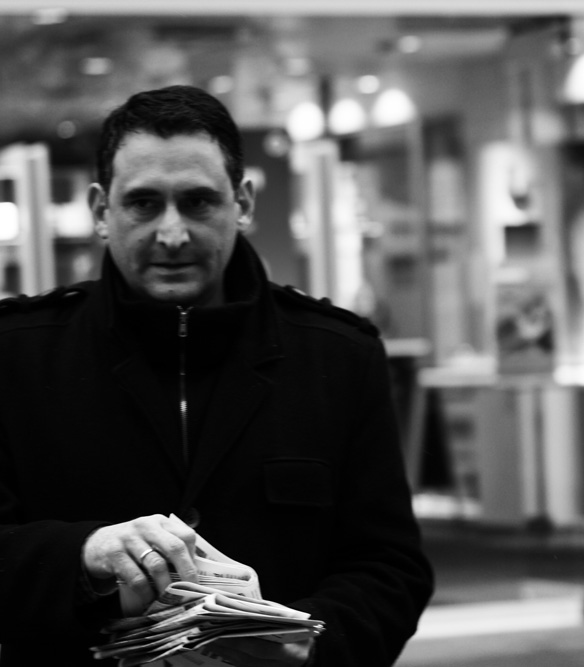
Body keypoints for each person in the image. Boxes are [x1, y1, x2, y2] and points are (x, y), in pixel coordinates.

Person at [0, 85, 433, 666]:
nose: (172, 233)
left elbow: (390, 567)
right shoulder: (17, 357)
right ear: (102, 211)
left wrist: (305, 645)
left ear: (243, 203)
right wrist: (85, 554)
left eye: (198, 202)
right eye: (143, 203)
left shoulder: (338, 356)